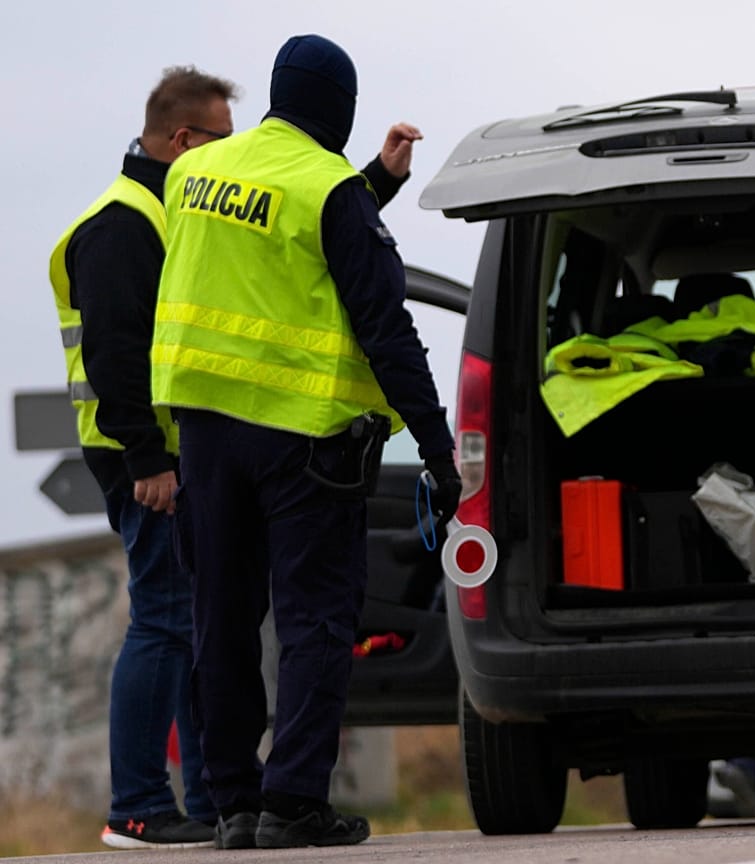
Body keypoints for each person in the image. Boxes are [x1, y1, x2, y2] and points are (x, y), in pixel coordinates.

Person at [149, 34, 462, 850]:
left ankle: (231, 804)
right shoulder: (328, 187)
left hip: (206, 434)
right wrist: (437, 446)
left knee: (221, 619)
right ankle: (292, 802)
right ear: (341, 108)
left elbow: (279, 245)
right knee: (315, 620)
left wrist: (377, 185)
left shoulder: (193, 173)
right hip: (305, 444)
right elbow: (384, 322)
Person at [47, 65, 236, 851]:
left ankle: (205, 800)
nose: (232, 158)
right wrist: (150, 459)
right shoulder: (123, 225)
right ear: (183, 140)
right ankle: (136, 806)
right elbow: (115, 357)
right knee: (162, 620)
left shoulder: (165, 214)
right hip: (140, 456)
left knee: (186, 623)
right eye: (222, 142)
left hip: (162, 452)